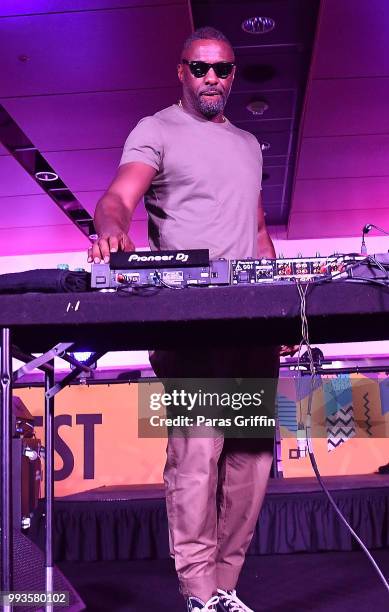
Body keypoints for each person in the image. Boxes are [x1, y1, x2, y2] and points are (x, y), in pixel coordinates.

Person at [90, 26, 280, 612]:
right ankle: (198, 592)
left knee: (251, 458)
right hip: (191, 321)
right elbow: (119, 195)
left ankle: (225, 587)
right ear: (181, 71)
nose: (212, 80)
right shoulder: (157, 129)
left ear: (233, 75)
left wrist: (278, 303)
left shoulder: (249, 144)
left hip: (251, 322)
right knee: (197, 453)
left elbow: (258, 231)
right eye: (201, 68)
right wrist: (112, 227)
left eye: (223, 70)